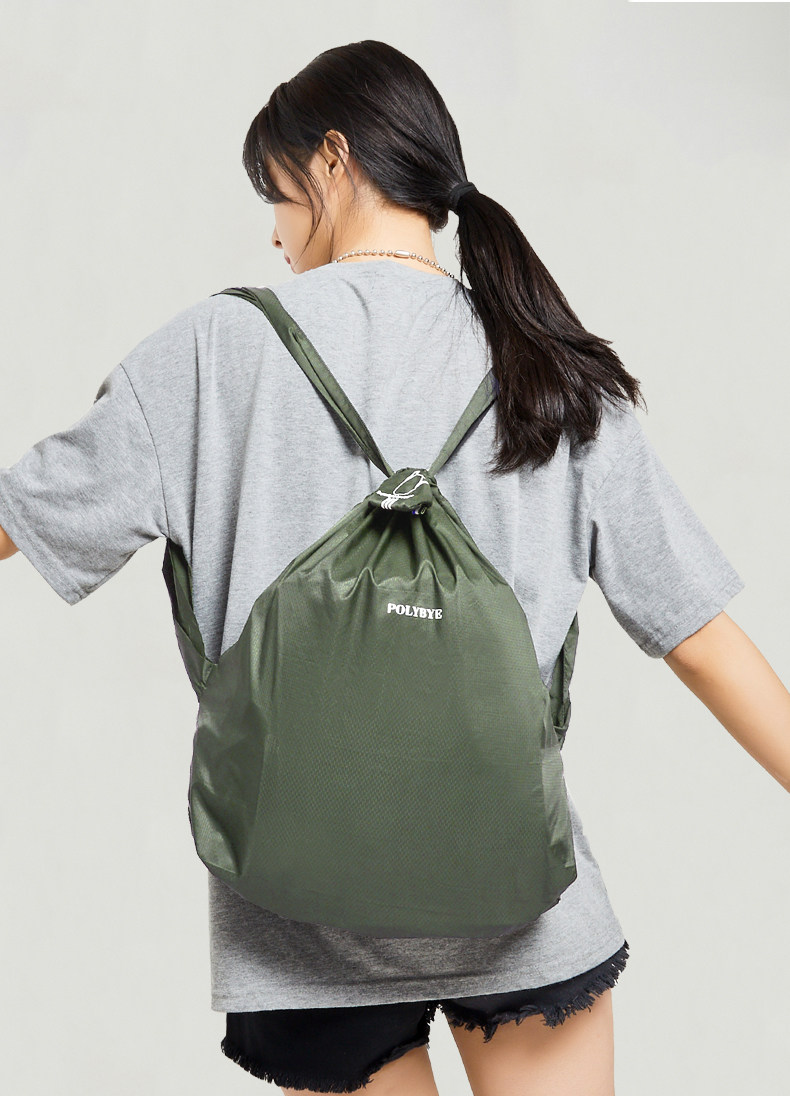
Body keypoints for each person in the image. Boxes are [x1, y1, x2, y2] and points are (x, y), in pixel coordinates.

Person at [0, 37, 787, 1096]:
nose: (273, 234)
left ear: (333, 161)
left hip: (299, 928)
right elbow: (699, 640)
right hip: (518, 897)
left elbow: (19, 517)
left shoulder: (209, 352)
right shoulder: (548, 363)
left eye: (275, 195)